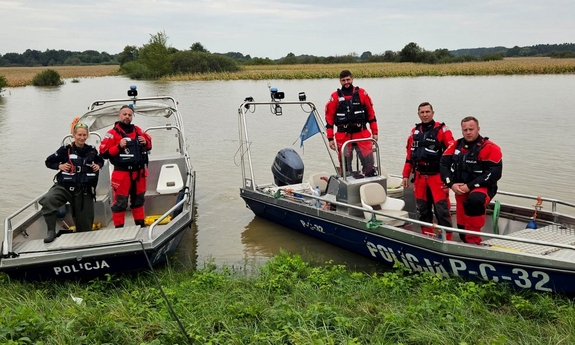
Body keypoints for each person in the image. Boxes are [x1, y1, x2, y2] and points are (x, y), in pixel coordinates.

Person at [440, 116, 502, 244]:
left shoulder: (490, 147)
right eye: (465, 130)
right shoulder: (455, 145)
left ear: (478, 129)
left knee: (474, 202)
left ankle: (474, 243)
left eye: (471, 129)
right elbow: (443, 164)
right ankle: (465, 242)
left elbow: (495, 173)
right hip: (460, 188)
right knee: (462, 226)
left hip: (482, 187)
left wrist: (470, 186)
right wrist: (451, 184)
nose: (468, 132)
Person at [39, 121, 104, 243]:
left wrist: (98, 165)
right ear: (74, 135)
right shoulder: (65, 150)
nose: (82, 138)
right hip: (65, 187)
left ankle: (83, 242)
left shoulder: (92, 150)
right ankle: (51, 231)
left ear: (87, 136)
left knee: (85, 227)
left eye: (84, 135)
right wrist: (60, 166)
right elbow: (48, 162)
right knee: (48, 199)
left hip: (84, 191)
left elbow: (101, 161)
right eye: (79, 135)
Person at [402, 102, 455, 239]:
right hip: (420, 177)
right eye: (422, 112)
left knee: (442, 210)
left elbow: (453, 155)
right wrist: (405, 175)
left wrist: (450, 178)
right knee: (423, 209)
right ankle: (427, 236)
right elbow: (409, 156)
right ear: (418, 114)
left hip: (437, 177)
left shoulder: (443, 130)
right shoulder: (414, 132)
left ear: (433, 113)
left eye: (427, 112)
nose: (425, 115)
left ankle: (447, 239)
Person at [99, 105, 152, 228]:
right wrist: (118, 146)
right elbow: (103, 153)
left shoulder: (139, 130)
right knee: (120, 203)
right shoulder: (111, 134)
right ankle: (119, 229)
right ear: (119, 115)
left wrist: (146, 142)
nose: (127, 116)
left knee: (139, 200)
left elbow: (149, 144)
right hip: (122, 174)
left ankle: (140, 226)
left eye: (129, 114)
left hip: (139, 173)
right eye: (124, 114)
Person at [325, 70, 378, 177]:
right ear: (340, 81)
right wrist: (330, 138)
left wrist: (375, 132)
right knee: (345, 165)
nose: (346, 82)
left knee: (369, 163)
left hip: (361, 134)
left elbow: (371, 114)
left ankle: (369, 181)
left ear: (352, 79)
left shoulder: (362, 94)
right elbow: (329, 119)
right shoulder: (334, 97)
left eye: (348, 79)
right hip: (343, 136)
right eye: (343, 80)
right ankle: (348, 182)